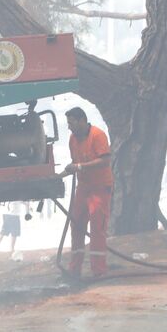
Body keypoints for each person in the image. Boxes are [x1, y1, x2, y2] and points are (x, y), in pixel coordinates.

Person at [60, 106, 112, 279]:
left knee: (97, 227)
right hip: (83, 188)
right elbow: (75, 164)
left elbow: (105, 160)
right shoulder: (73, 139)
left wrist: (80, 167)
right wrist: (58, 176)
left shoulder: (97, 135)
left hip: (99, 188)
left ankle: (99, 270)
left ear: (82, 120)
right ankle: (75, 269)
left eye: (71, 123)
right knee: (76, 225)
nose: (69, 127)